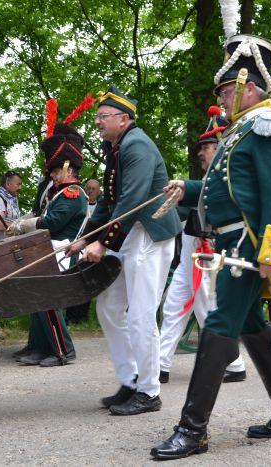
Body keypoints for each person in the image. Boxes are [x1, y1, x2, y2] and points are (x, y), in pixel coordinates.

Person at [150, 34, 271, 460]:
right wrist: (188, 187)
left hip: (251, 244)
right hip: (234, 240)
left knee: (218, 324)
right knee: (252, 326)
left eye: (224, 89)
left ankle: (192, 428)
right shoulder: (243, 131)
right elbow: (228, 188)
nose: (221, 97)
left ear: (248, 87)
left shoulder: (269, 126)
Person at [67, 84, 182, 416]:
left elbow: (131, 202)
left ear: (124, 118)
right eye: (97, 116)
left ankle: (149, 391)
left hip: (149, 235)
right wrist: (84, 238)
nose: (97, 122)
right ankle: (130, 379)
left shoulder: (137, 146)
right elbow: (108, 201)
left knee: (141, 314)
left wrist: (102, 243)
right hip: (129, 233)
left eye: (103, 116)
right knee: (109, 306)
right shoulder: (115, 149)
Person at [158, 106, 247, 385]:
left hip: (207, 251)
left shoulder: (229, 179)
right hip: (190, 247)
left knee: (207, 309)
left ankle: (234, 363)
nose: (201, 151)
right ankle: (160, 364)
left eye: (207, 146)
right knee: (174, 305)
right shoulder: (209, 179)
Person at [8, 122, 90, 367]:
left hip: (62, 252)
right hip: (49, 252)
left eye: (55, 171)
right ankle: (39, 347)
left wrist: (24, 224)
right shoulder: (60, 193)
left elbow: (51, 222)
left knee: (48, 301)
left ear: (67, 168)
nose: (52, 176)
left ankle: (63, 349)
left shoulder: (74, 193)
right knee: (37, 299)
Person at [64, 178, 102, 325]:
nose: (90, 191)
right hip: (77, 246)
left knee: (88, 281)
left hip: (93, 248)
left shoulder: (101, 208)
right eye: (88, 188)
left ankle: (82, 316)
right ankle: (70, 316)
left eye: (93, 189)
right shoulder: (80, 204)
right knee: (74, 279)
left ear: (98, 192)